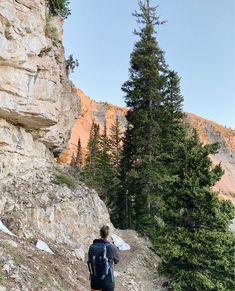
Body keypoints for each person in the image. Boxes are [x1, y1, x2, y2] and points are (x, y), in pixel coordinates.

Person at [88, 225, 120, 291]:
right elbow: (117, 261)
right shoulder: (111, 247)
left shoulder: (93, 246)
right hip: (107, 280)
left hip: (95, 279)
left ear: (100, 233)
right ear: (109, 235)